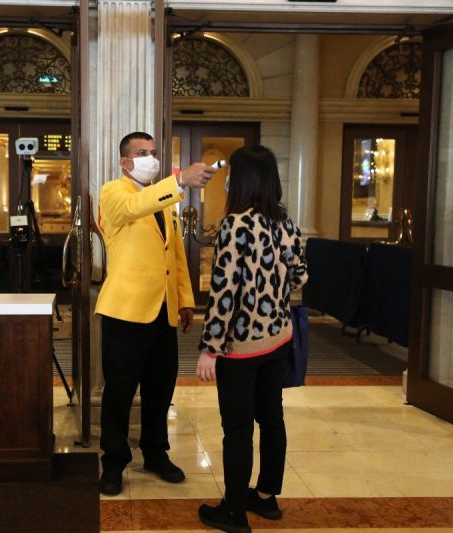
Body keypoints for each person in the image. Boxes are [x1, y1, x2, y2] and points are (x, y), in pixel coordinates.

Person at [95, 131, 216, 496]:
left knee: (160, 389)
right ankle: (113, 461)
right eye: (142, 153)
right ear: (125, 162)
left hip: (163, 313)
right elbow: (133, 208)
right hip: (125, 312)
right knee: (119, 393)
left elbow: (175, 255)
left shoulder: (165, 203)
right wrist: (179, 181)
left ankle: (155, 452)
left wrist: (184, 300)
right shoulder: (113, 193)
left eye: (153, 152)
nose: (151, 158)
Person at [195, 145, 308, 533]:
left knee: (238, 428)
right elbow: (300, 276)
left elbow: (224, 292)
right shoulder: (285, 222)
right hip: (279, 338)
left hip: (241, 347)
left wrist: (211, 348)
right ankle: (266, 497)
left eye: (232, 173)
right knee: (272, 417)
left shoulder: (235, 225)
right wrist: (271, 292)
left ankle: (234, 512)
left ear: (241, 180)